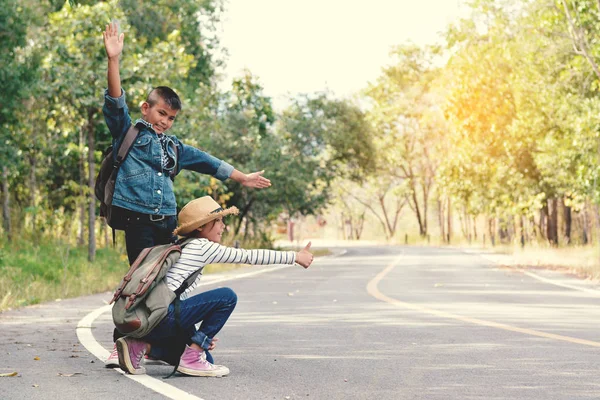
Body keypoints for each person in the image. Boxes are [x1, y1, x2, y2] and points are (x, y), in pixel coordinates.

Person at [102, 21, 271, 265]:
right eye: (161, 114)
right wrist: (113, 60)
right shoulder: (128, 132)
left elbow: (207, 162)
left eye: (171, 118)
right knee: (142, 279)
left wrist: (242, 177)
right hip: (137, 220)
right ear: (146, 108)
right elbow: (115, 102)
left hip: (169, 221)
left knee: (170, 279)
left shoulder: (174, 147)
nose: (166, 122)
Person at [114, 196, 314, 377]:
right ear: (201, 227)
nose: (223, 226)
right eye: (217, 221)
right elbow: (247, 256)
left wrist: (198, 336)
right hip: (161, 318)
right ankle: (187, 355)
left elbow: (176, 301)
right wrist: (295, 257)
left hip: (152, 318)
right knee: (226, 297)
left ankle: (140, 346)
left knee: (207, 360)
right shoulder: (202, 246)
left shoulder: (184, 245)